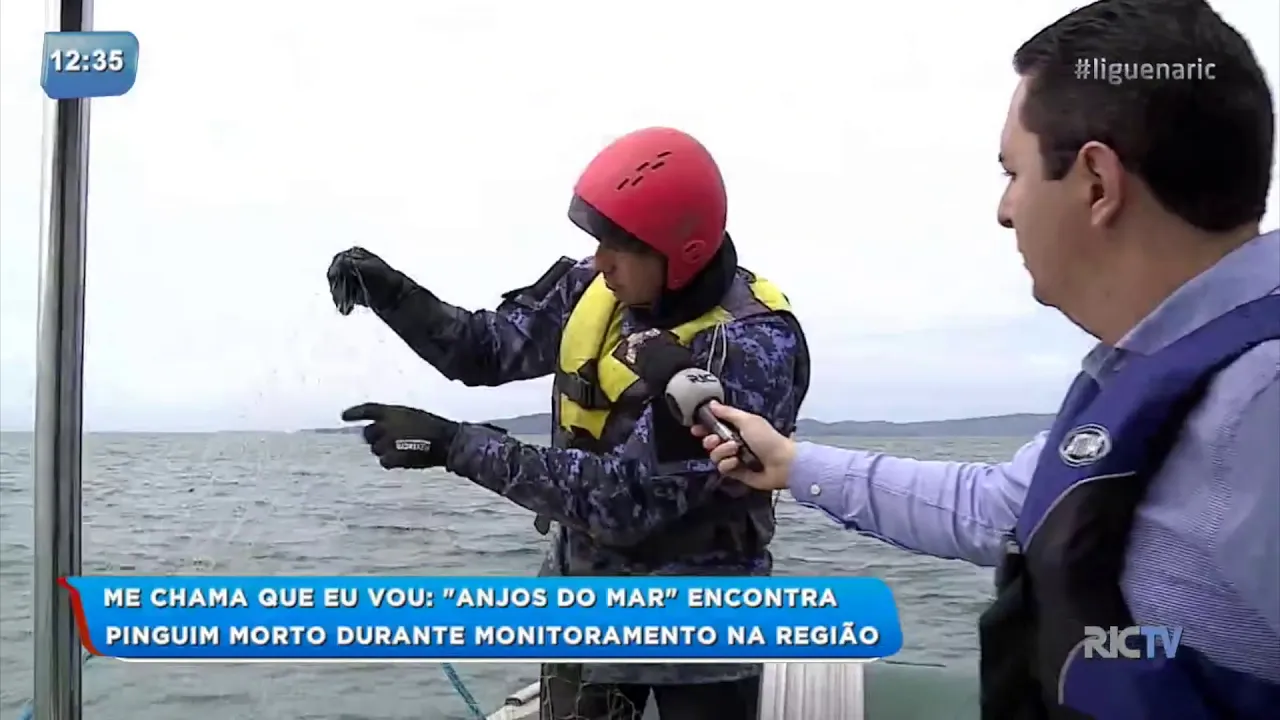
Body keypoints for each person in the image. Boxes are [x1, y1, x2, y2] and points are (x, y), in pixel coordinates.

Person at [691, 2, 1279, 719]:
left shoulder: (1262, 407)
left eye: (1013, 171)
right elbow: (1000, 506)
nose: (1005, 210)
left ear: (1097, 183)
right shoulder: (1159, 371)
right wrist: (791, 464)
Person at [327, 127, 811, 720]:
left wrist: (454, 444)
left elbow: (626, 500)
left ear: (681, 252)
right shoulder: (594, 284)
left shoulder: (751, 345)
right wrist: (391, 292)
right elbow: (484, 349)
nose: (601, 259)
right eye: (599, 238)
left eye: (621, 245)